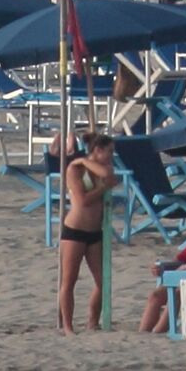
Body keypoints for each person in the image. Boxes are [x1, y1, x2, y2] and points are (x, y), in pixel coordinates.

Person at [56, 132, 115, 330]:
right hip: (75, 230)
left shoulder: (103, 169)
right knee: (69, 280)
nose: (111, 156)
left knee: (102, 281)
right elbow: (82, 201)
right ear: (97, 151)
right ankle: (68, 326)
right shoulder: (75, 169)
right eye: (109, 152)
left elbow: (108, 174)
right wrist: (81, 160)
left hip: (95, 232)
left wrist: (90, 163)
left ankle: (93, 322)